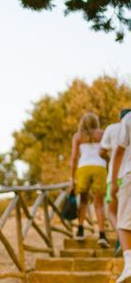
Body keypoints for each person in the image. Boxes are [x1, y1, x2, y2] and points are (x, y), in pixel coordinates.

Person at [69, 111, 108, 247]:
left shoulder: (78, 136)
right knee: (99, 203)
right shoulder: (102, 134)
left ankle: (80, 230)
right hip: (99, 168)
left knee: (83, 200)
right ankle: (102, 234)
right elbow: (107, 152)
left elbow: (74, 158)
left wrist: (72, 178)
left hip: (83, 168)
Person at [99, 109, 131, 252]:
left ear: (119, 117)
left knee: (111, 211)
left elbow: (101, 151)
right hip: (128, 174)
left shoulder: (111, 128)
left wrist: (109, 160)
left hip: (116, 175)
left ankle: (121, 239)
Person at [112, 110, 131, 283]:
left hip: (130, 173)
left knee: (124, 221)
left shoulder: (128, 119)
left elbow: (119, 151)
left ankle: (129, 266)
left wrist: (113, 182)